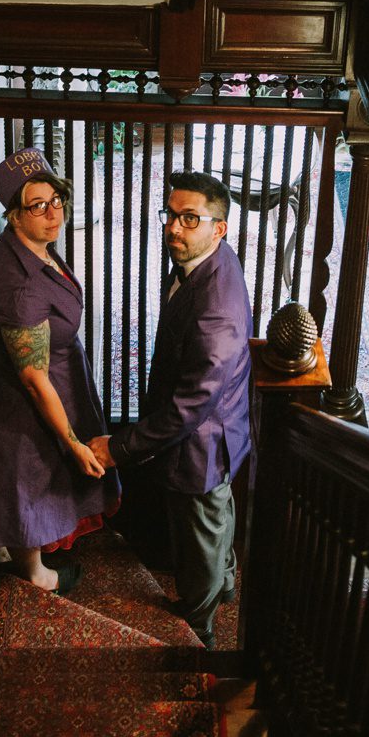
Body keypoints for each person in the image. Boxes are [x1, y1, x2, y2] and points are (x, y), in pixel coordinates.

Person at [91, 171, 252, 646]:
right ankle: (223, 583)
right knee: (213, 518)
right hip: (214, 427)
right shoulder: (203, 261)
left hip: (201, 442)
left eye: (189, 218)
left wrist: (118, 449)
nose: (174, 228)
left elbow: (191, 405)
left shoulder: (216, 308)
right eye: (171, 215)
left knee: (200, 534)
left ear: (219, 228)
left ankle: (198, 629)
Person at [0, 147, 117, 593]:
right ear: (13, 216)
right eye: (37, 206)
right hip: (27, 398)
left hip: (55, 376)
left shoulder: (32, 248)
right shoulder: (20, 283)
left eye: (56, 200)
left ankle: (16, 554)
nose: (52, 213)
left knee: (22, 481)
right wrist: (72, 442)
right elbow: (32, 376)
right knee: (25, 480)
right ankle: (36, 574)